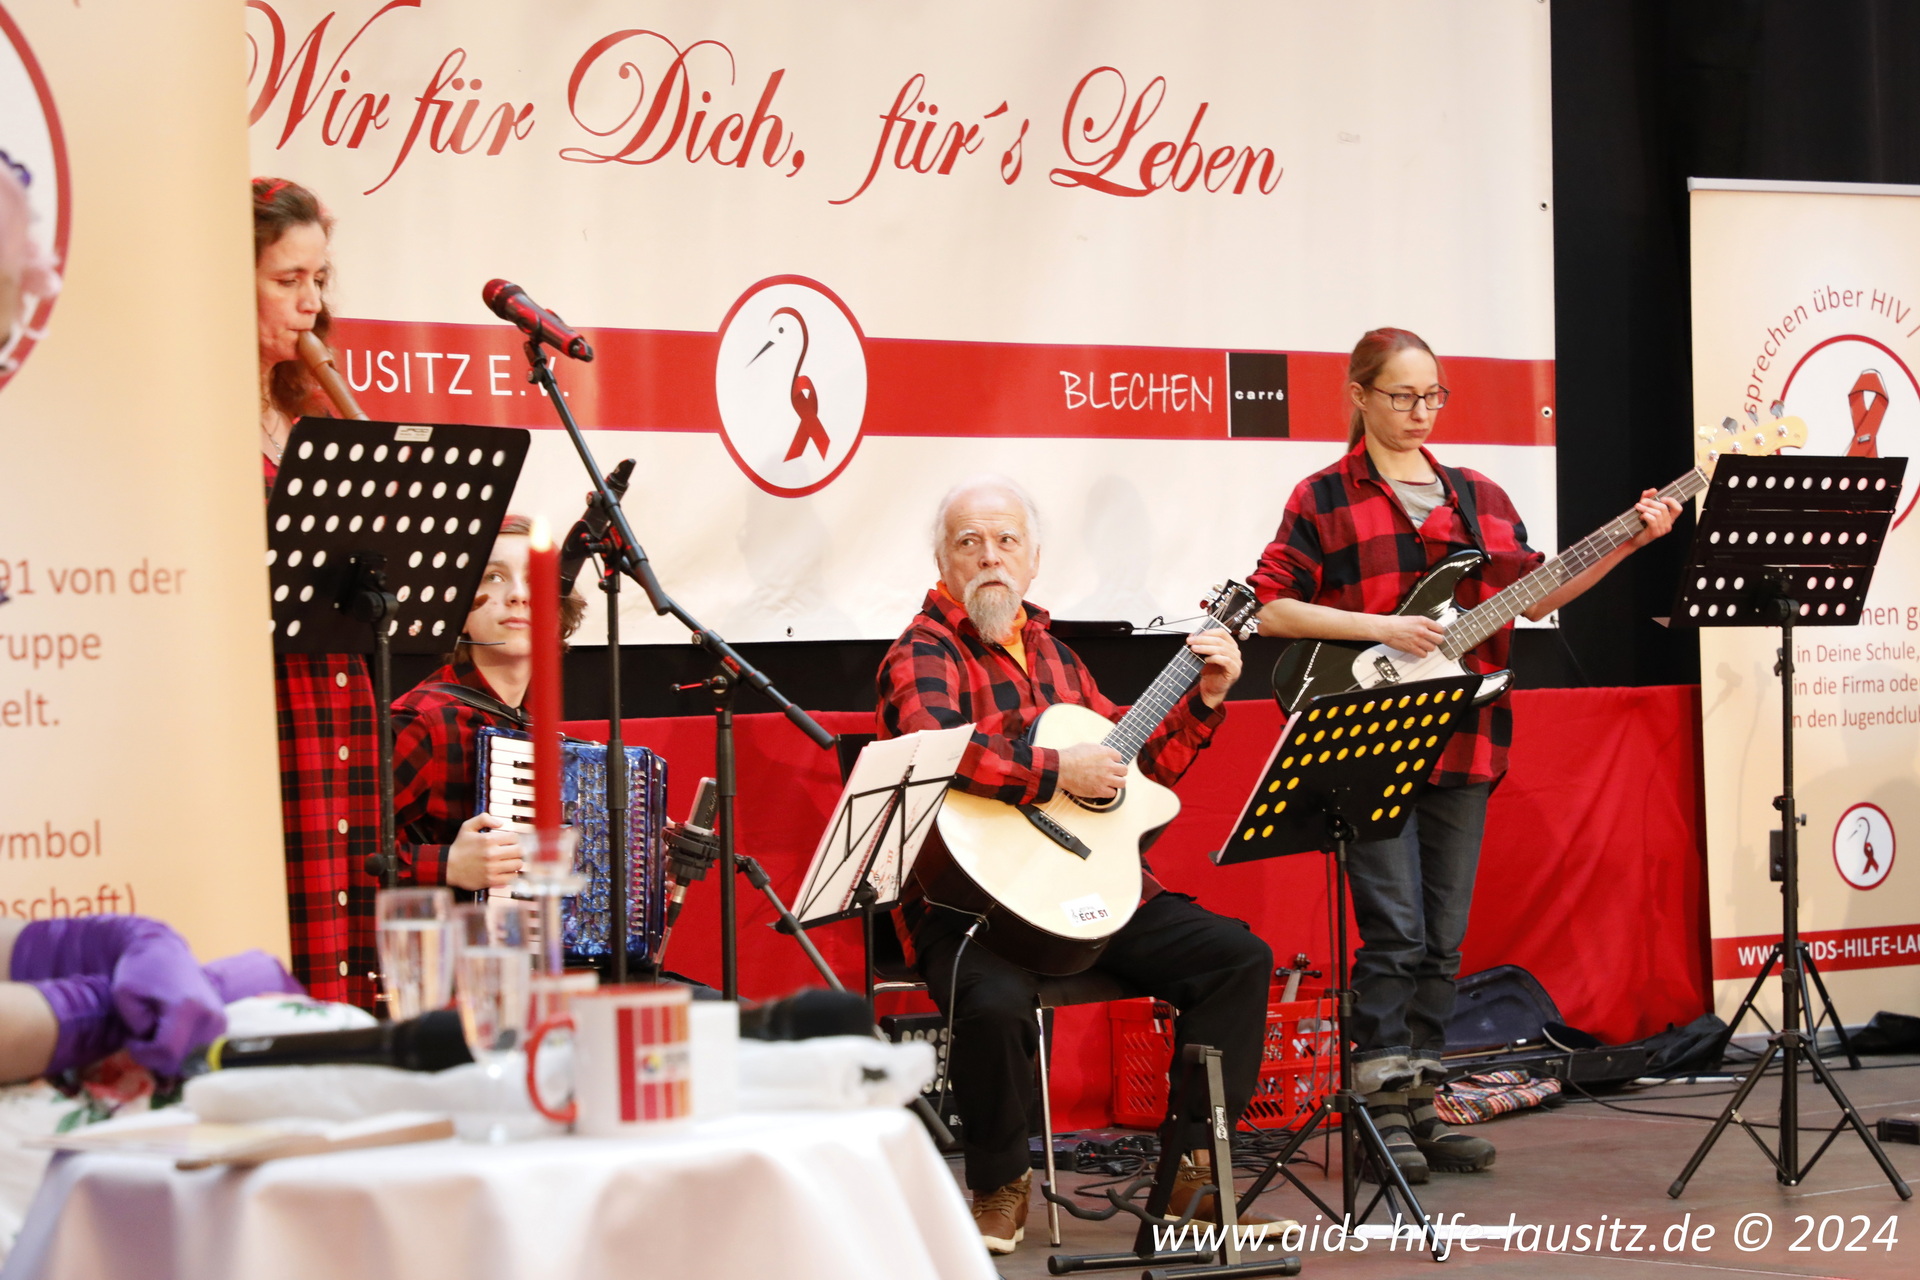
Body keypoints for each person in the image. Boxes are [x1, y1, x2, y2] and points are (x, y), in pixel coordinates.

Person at [1247, 327, 1680, 1183]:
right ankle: (1377, 1113)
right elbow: (1270, 608)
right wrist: (1381, 627)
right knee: (1394, 933)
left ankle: (1420, 1103)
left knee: (1442, 941)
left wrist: (1632, 538)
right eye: (1402, 395)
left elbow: (1540, 592)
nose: (1420, 412)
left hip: (1464, 741)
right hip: (1363, 740)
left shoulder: (1477, 495)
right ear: (1360, 396)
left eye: (1433, 396)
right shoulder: (1323, 496)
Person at [877, 476, 1277, 1256]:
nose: (989, 557)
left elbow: (1137, 773)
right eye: (969, 543)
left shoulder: (1059, 658)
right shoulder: (922, 651)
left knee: (1236, 958)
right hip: (970, 908)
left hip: (1084, 890)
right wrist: (1059, 771)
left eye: (1007, 542)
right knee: (992, 1003)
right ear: (942, 562)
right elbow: (941, 750)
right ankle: (1000, 1183)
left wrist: (1204, 699)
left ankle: (1194, 1180)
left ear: (1033, 560)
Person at [255, 176, 380, 1008]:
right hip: (268, 694)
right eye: (287, 280)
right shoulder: (186, 418)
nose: (311, 303)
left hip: (338, 686)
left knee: (349, 914)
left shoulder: (311, 419)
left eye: (319, 279)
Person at [389, 516, 586, 893]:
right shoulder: (422, 721)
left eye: (535, 579)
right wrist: (446, 865)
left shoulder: (536, 728)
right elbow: (346, 849)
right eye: (494, 577)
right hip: (435, 930)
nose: (518, 595)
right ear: (459, 613)